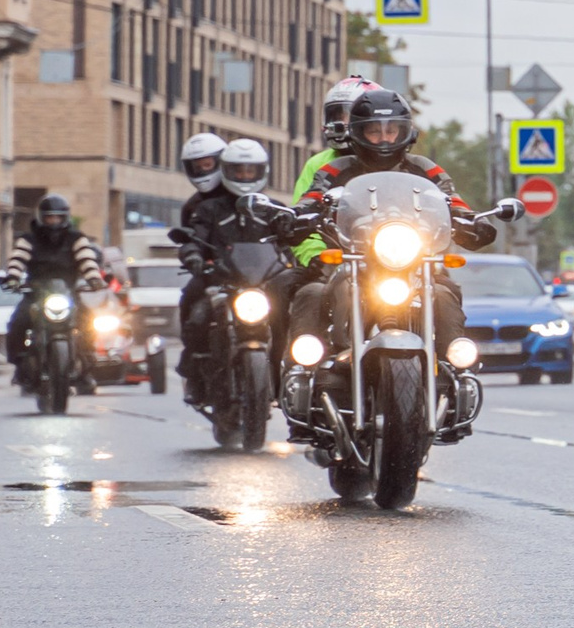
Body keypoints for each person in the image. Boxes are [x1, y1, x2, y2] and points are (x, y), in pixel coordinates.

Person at [284, 88, 499, 370]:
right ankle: (303, 372)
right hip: (352, 262)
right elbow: (311, 198)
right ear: (358, 133)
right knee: (311, 293)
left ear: (405, 132)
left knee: (445, 292)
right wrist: (297, 217)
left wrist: (471, 221)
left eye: (391, 130)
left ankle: (452, 368)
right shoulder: (336, 169)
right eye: (374, 131)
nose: (384, 139)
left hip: (413, 262)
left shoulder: (426, 169)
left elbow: (452, 200)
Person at [1, 194, 107, 387]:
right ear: (42, 217)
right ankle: (19, 366)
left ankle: (86, 364)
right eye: (50, 217)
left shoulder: (76, 238)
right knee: (18, 322)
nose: (54, 221)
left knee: (88, 321)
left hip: (68, 295)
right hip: (36, 294)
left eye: (58, 217)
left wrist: (94, 279)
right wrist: (13, 277)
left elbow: (86, 260)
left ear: (65, 217)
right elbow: (18, 259)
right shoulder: (29, 239)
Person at [171, 132, 237, 402]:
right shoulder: (193, 206)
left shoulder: (246, 193)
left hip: (252, 275)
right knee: (192, 306)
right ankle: (193, 370)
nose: (202, 170)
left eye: (208, 164)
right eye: (197, 166)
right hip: (213, 275)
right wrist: (194, 258)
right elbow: (189, 240)